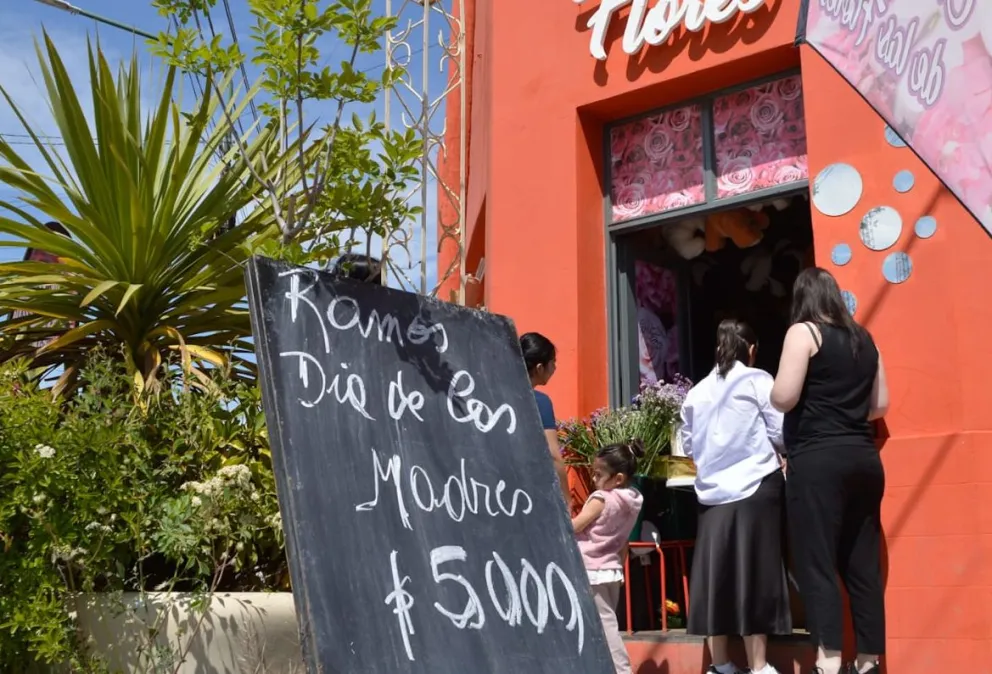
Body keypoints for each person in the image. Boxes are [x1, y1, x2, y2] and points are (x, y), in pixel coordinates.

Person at [770, 268, 889, 674]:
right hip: (864, 458)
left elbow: (784, 397)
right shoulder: (864, 337)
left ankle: (829, 660)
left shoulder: (803, 332)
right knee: (862, 562)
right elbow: (880, 406)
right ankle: (870, 660)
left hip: (818, 459)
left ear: (802, 299)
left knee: (816, 561)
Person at [680, 319, 791, 674]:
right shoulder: (758, 380)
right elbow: (780, 432)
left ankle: (721, 664)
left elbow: (685, 446)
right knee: (755, 572)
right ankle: (758, 665)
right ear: (752, 350)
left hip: (711, 495)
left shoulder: (695, 392)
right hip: (756, 485)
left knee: (716, 577)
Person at [572, 441, 645, 674]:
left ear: (618, 478)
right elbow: (624, 541)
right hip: (612, 569)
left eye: (598, 474)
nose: (594, 478)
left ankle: (622, 670)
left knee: (605, 627)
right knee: (605, 622)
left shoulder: (600, 499)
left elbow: (573, 527)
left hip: (591, 569)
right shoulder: (632, 501)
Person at [520, 332, 569, 505]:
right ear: (540, 368)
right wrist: (566, 499)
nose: (555, 367)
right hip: (529, 491)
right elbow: (553, 455)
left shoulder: (496, 395)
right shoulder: (540, 401)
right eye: (553, 362)